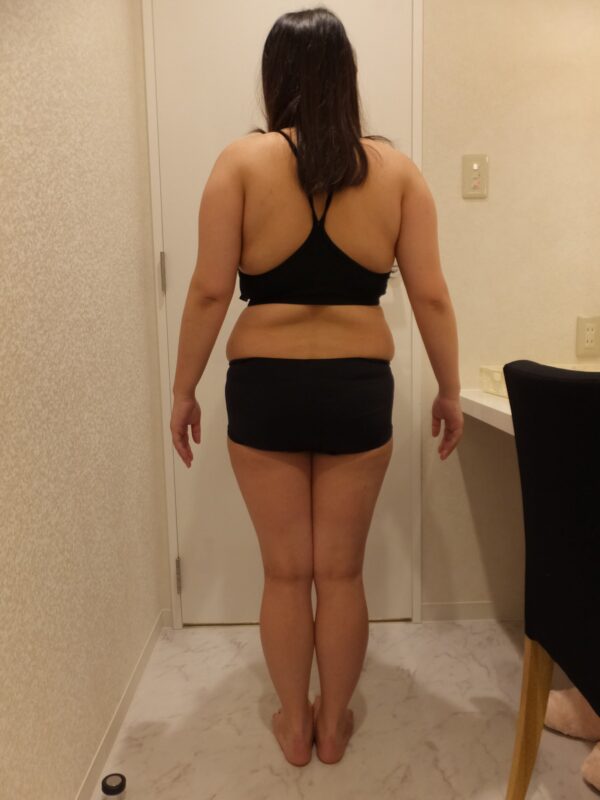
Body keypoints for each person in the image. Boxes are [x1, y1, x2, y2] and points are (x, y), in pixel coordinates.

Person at [170, 7, 463, 768]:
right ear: (347, 78)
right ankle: (333, 727)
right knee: (340, 572)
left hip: (263, 387)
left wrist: (183, 389)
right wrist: (450, 388)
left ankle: (294, 728)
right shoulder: (397, 173)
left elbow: (208, 290)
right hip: (356, 389)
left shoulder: (240, 162)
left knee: (285, 572)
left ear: (277, 78)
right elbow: (432, 296)